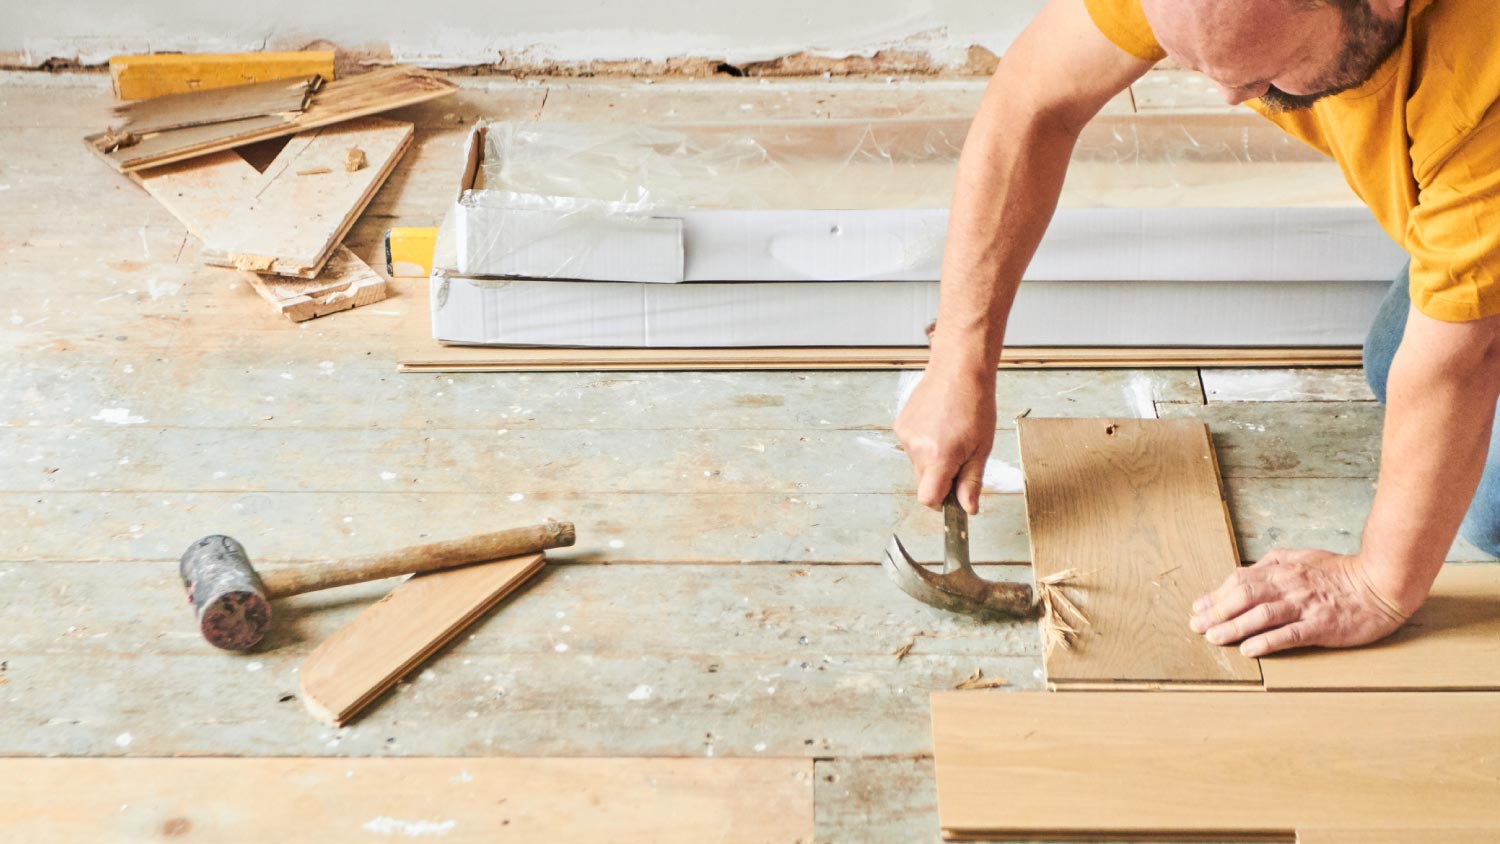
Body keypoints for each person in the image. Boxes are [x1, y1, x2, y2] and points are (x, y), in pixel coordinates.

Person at [895, 0, 1500, 656]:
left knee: (1487, 502)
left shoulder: (1479, 87)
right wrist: (960, 354)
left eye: (1265, 73)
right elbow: (1032, 101)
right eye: (1201, 67)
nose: (1232, 96)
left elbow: (1462, 362)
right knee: (1395, 359)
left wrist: (1377, 583)